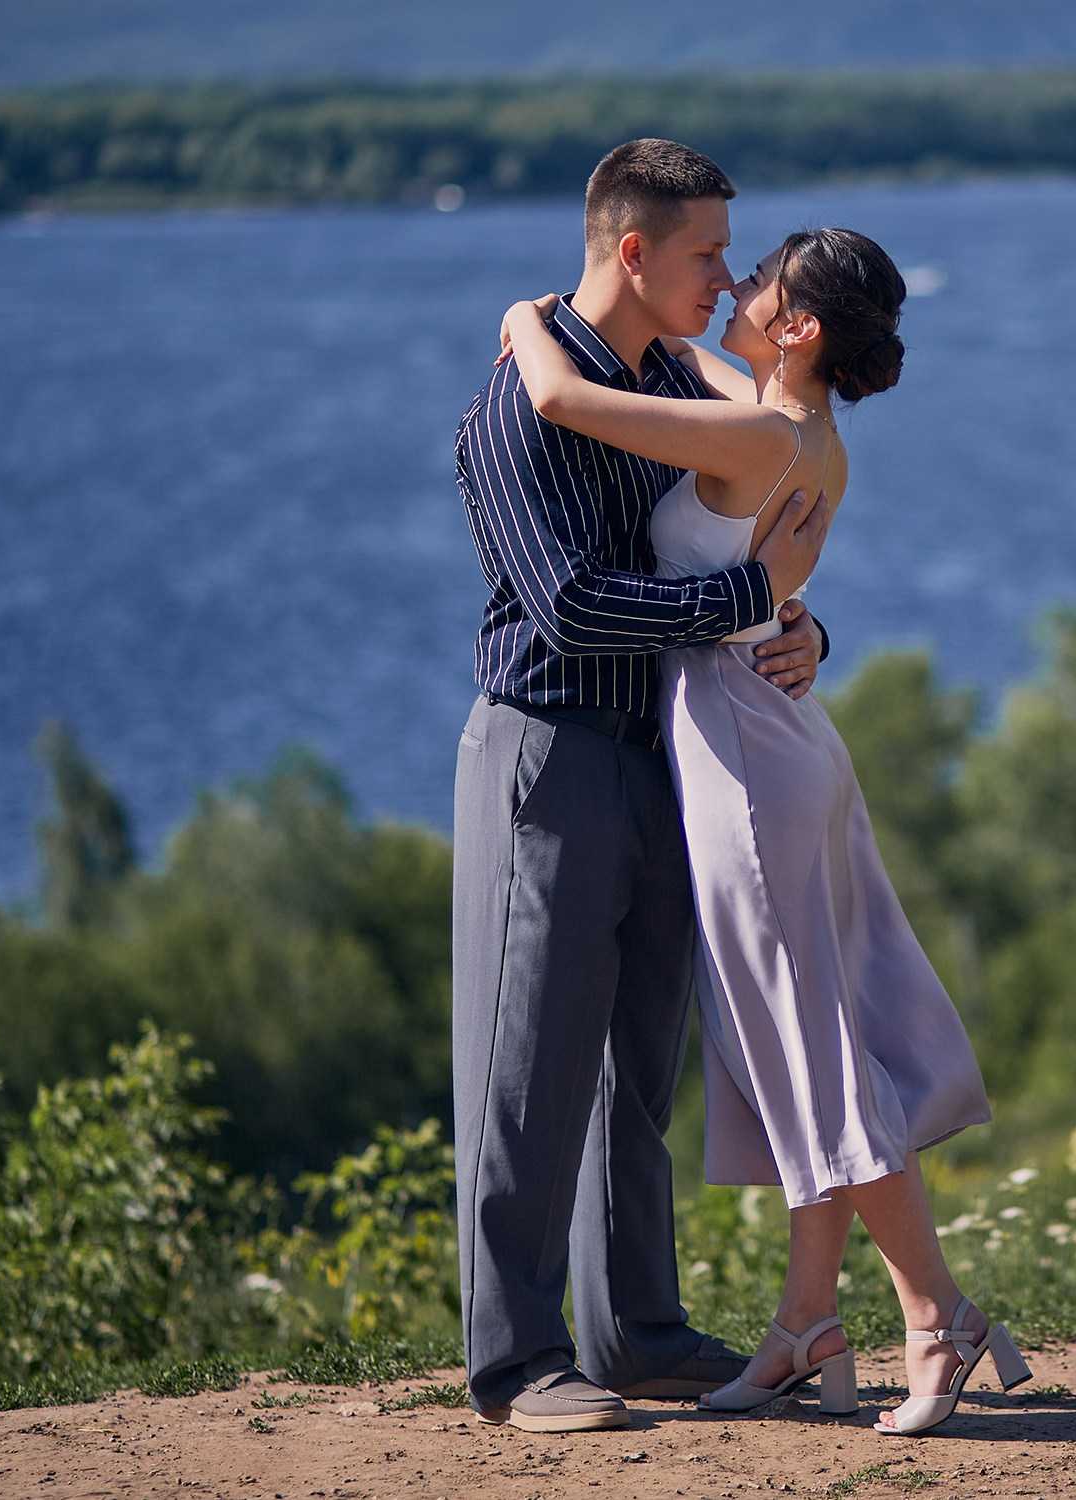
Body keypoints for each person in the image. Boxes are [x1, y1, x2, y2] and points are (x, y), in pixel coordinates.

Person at [496, 222, 1029, 1434]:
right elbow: (756, 530)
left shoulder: (751, 429)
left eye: (761, 282)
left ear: (799, 327)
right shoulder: (802, 430)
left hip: (744, 755)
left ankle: (936, 1312)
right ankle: (804, 1326)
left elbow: (562, 396)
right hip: (780, 743)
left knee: (808, 1049)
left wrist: (524, 317)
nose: (734, 285)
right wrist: (808, 627)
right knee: (801, 1039)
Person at [449, 138, 835, 1434]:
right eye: (709, 254)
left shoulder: (671, 379)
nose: (729, 278)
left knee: (632, 1064)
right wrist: (744, 601)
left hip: (668, 755)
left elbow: (758, 512)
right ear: (633, 252)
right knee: (525, 1065)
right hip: (545, 754)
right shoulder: (516, 403)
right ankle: (514, 1367)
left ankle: (636, 1335)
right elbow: (567, 607)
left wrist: (802, 628)